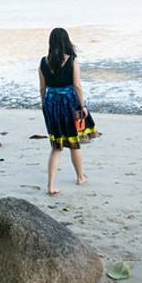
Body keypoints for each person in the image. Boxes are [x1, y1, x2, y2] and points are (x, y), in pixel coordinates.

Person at [39, 27, 97, 195]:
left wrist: (44, 104)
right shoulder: (72, 61)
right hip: (68, 104)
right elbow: (77, 85)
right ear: (66, 41)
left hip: (51, 104)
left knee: (56, 146)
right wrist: (82, 106)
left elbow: (42, 88)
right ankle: (80, 177)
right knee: (73, 143)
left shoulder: (43, 62)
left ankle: (50, 186)